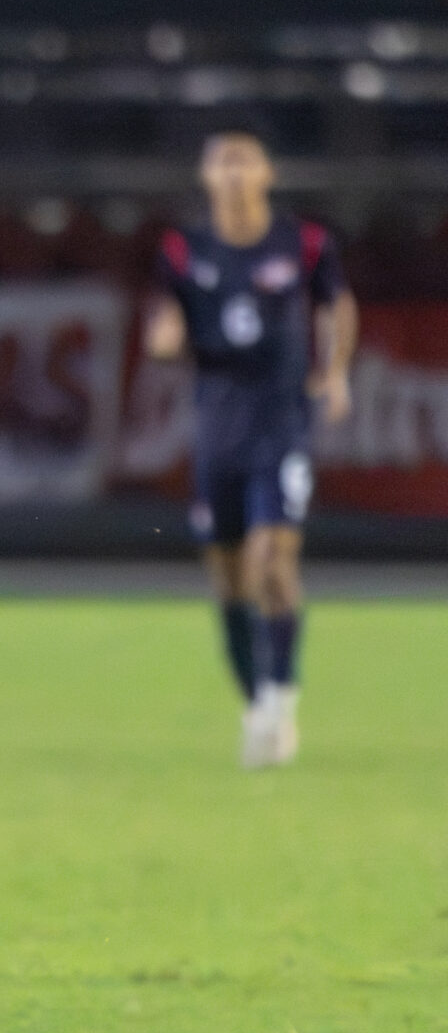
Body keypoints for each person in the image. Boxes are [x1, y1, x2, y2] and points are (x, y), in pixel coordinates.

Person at [145, 131, 357, 769]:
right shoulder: (184, 250)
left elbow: (337, 304)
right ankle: (257, 699)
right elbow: (165, 318)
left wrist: (335, 371)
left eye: (244, 161)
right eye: (222, 162)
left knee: (272, 560)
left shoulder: (304, 243)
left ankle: (280, 699)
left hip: (281, 424)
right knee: (228, 578)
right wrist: (164, 336)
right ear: (206, 177)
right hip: (218, 430)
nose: (233, 173)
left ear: (268, 173)